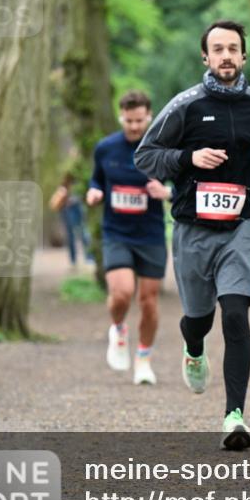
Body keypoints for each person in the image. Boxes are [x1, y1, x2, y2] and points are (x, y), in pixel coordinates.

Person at [135, 20, 250, 450]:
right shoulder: (185, 105)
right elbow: (146, 156)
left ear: (243, 56)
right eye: (217, 49)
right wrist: (189, 157)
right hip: (192, 230)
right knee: (199, 318)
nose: (225, 56)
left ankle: (234, 416)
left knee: (236, 312)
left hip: (241, 226)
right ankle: (194, 346)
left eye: (232, 49)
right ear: (205, 57)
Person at [85, 90, 171, 386]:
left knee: (148, 301)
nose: (134, 126)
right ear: (121, 116)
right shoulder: (106, 148)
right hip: (116, 233)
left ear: (149, 116)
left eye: (140, 120)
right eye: (129, 120)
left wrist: (167, 192)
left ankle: (143, 359)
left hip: (151, 235)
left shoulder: (160, 150)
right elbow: (96, 178)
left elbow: (179, 185)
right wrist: (94, 191)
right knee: (121, 293)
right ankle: (118, 328)